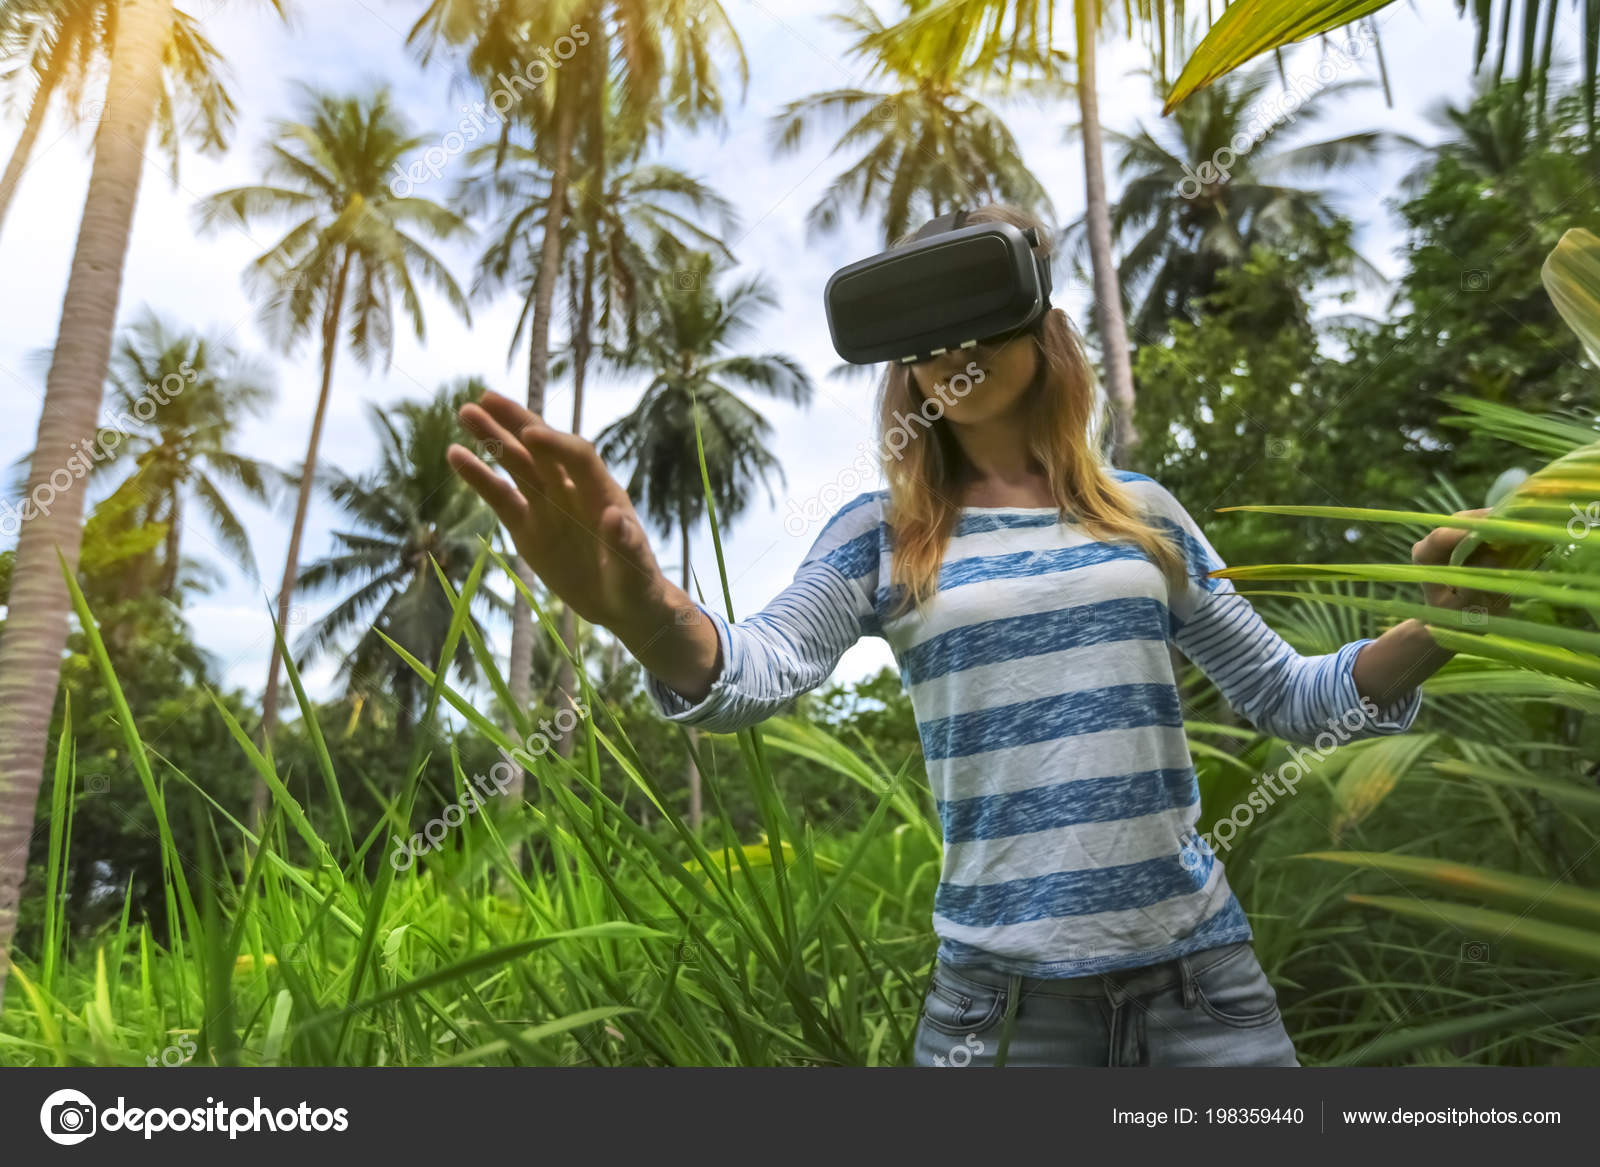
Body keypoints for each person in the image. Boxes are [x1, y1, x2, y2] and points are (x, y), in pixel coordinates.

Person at [445, 202, 1512, 1067]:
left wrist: (1437, 630)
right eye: (922, 332)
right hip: (999, 1019)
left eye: (979, 306)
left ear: (1043, 326)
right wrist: (648, 615)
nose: (953, 346)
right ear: (900, 369)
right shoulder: (881, 534)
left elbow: (1293, 699)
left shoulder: (1144, 516)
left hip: (1202, 989)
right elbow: (758, 667)